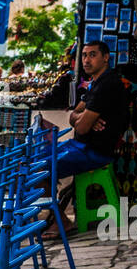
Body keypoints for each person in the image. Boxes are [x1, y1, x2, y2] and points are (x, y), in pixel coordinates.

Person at [56, 39, 130, 180]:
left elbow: (81, 128)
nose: (87, 60)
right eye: (84, 55)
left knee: (40, 169)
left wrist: (84, 119)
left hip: (94, 153)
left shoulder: (107, 85)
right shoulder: (96, 83)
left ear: (106, 57)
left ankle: (49, 202)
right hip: (81, 147)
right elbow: (73, 116)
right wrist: (85, 116)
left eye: (92, 55)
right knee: (39, 157)